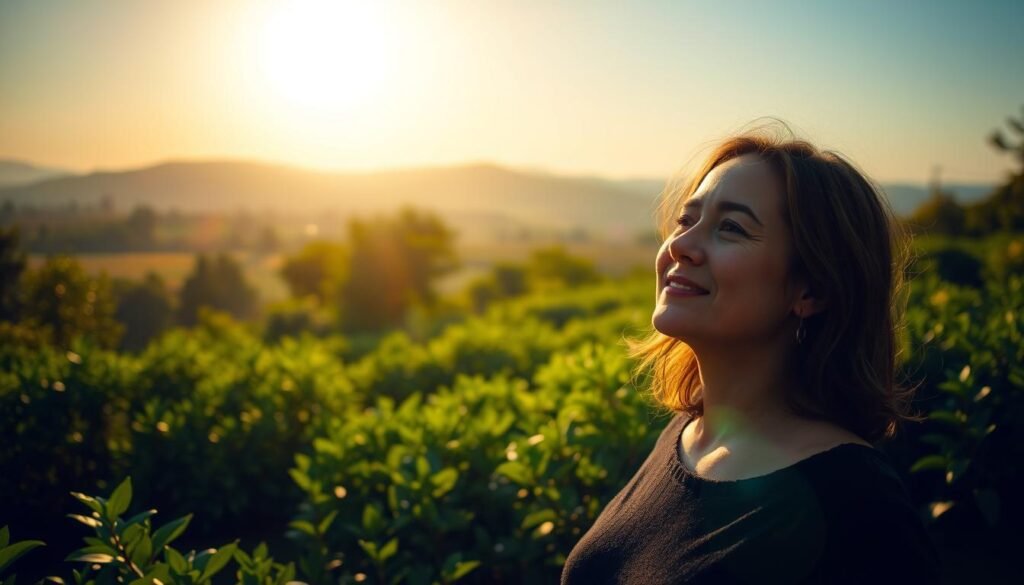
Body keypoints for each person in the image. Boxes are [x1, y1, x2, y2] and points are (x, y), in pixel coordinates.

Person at [560, 126, 942, 584]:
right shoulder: (685, 437)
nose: (679, 245)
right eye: (685, 220)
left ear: (812, 290)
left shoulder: (860, 507)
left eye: (731, 228)